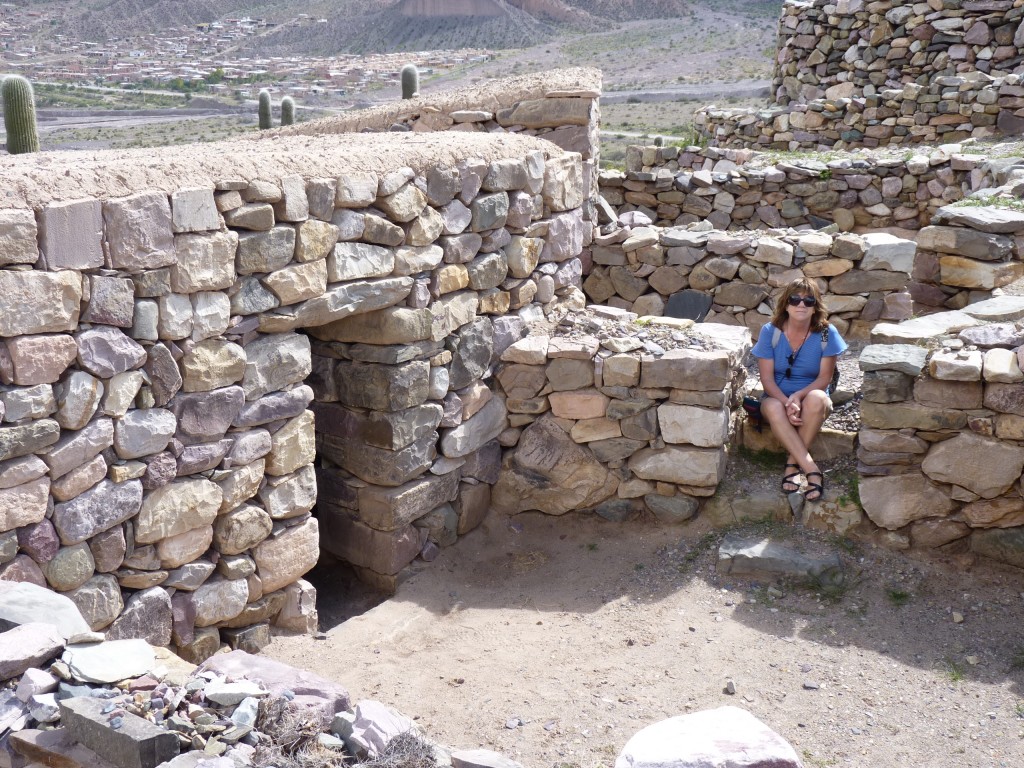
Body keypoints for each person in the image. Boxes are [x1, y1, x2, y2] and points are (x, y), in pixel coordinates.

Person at [750, 278, 848, 502]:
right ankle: (812, 469)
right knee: (774, 408)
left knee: (816, 398)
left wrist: (798, 397)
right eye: (795, 299)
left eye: (808, 300)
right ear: (786, 304)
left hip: (811, 397)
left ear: (816, 306)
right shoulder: (771, 331)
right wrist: (787, 402)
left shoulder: (825, 332)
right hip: (776, 398)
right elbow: (766, 379)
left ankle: (792, 467)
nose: (801, 305)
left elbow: (825, 377)